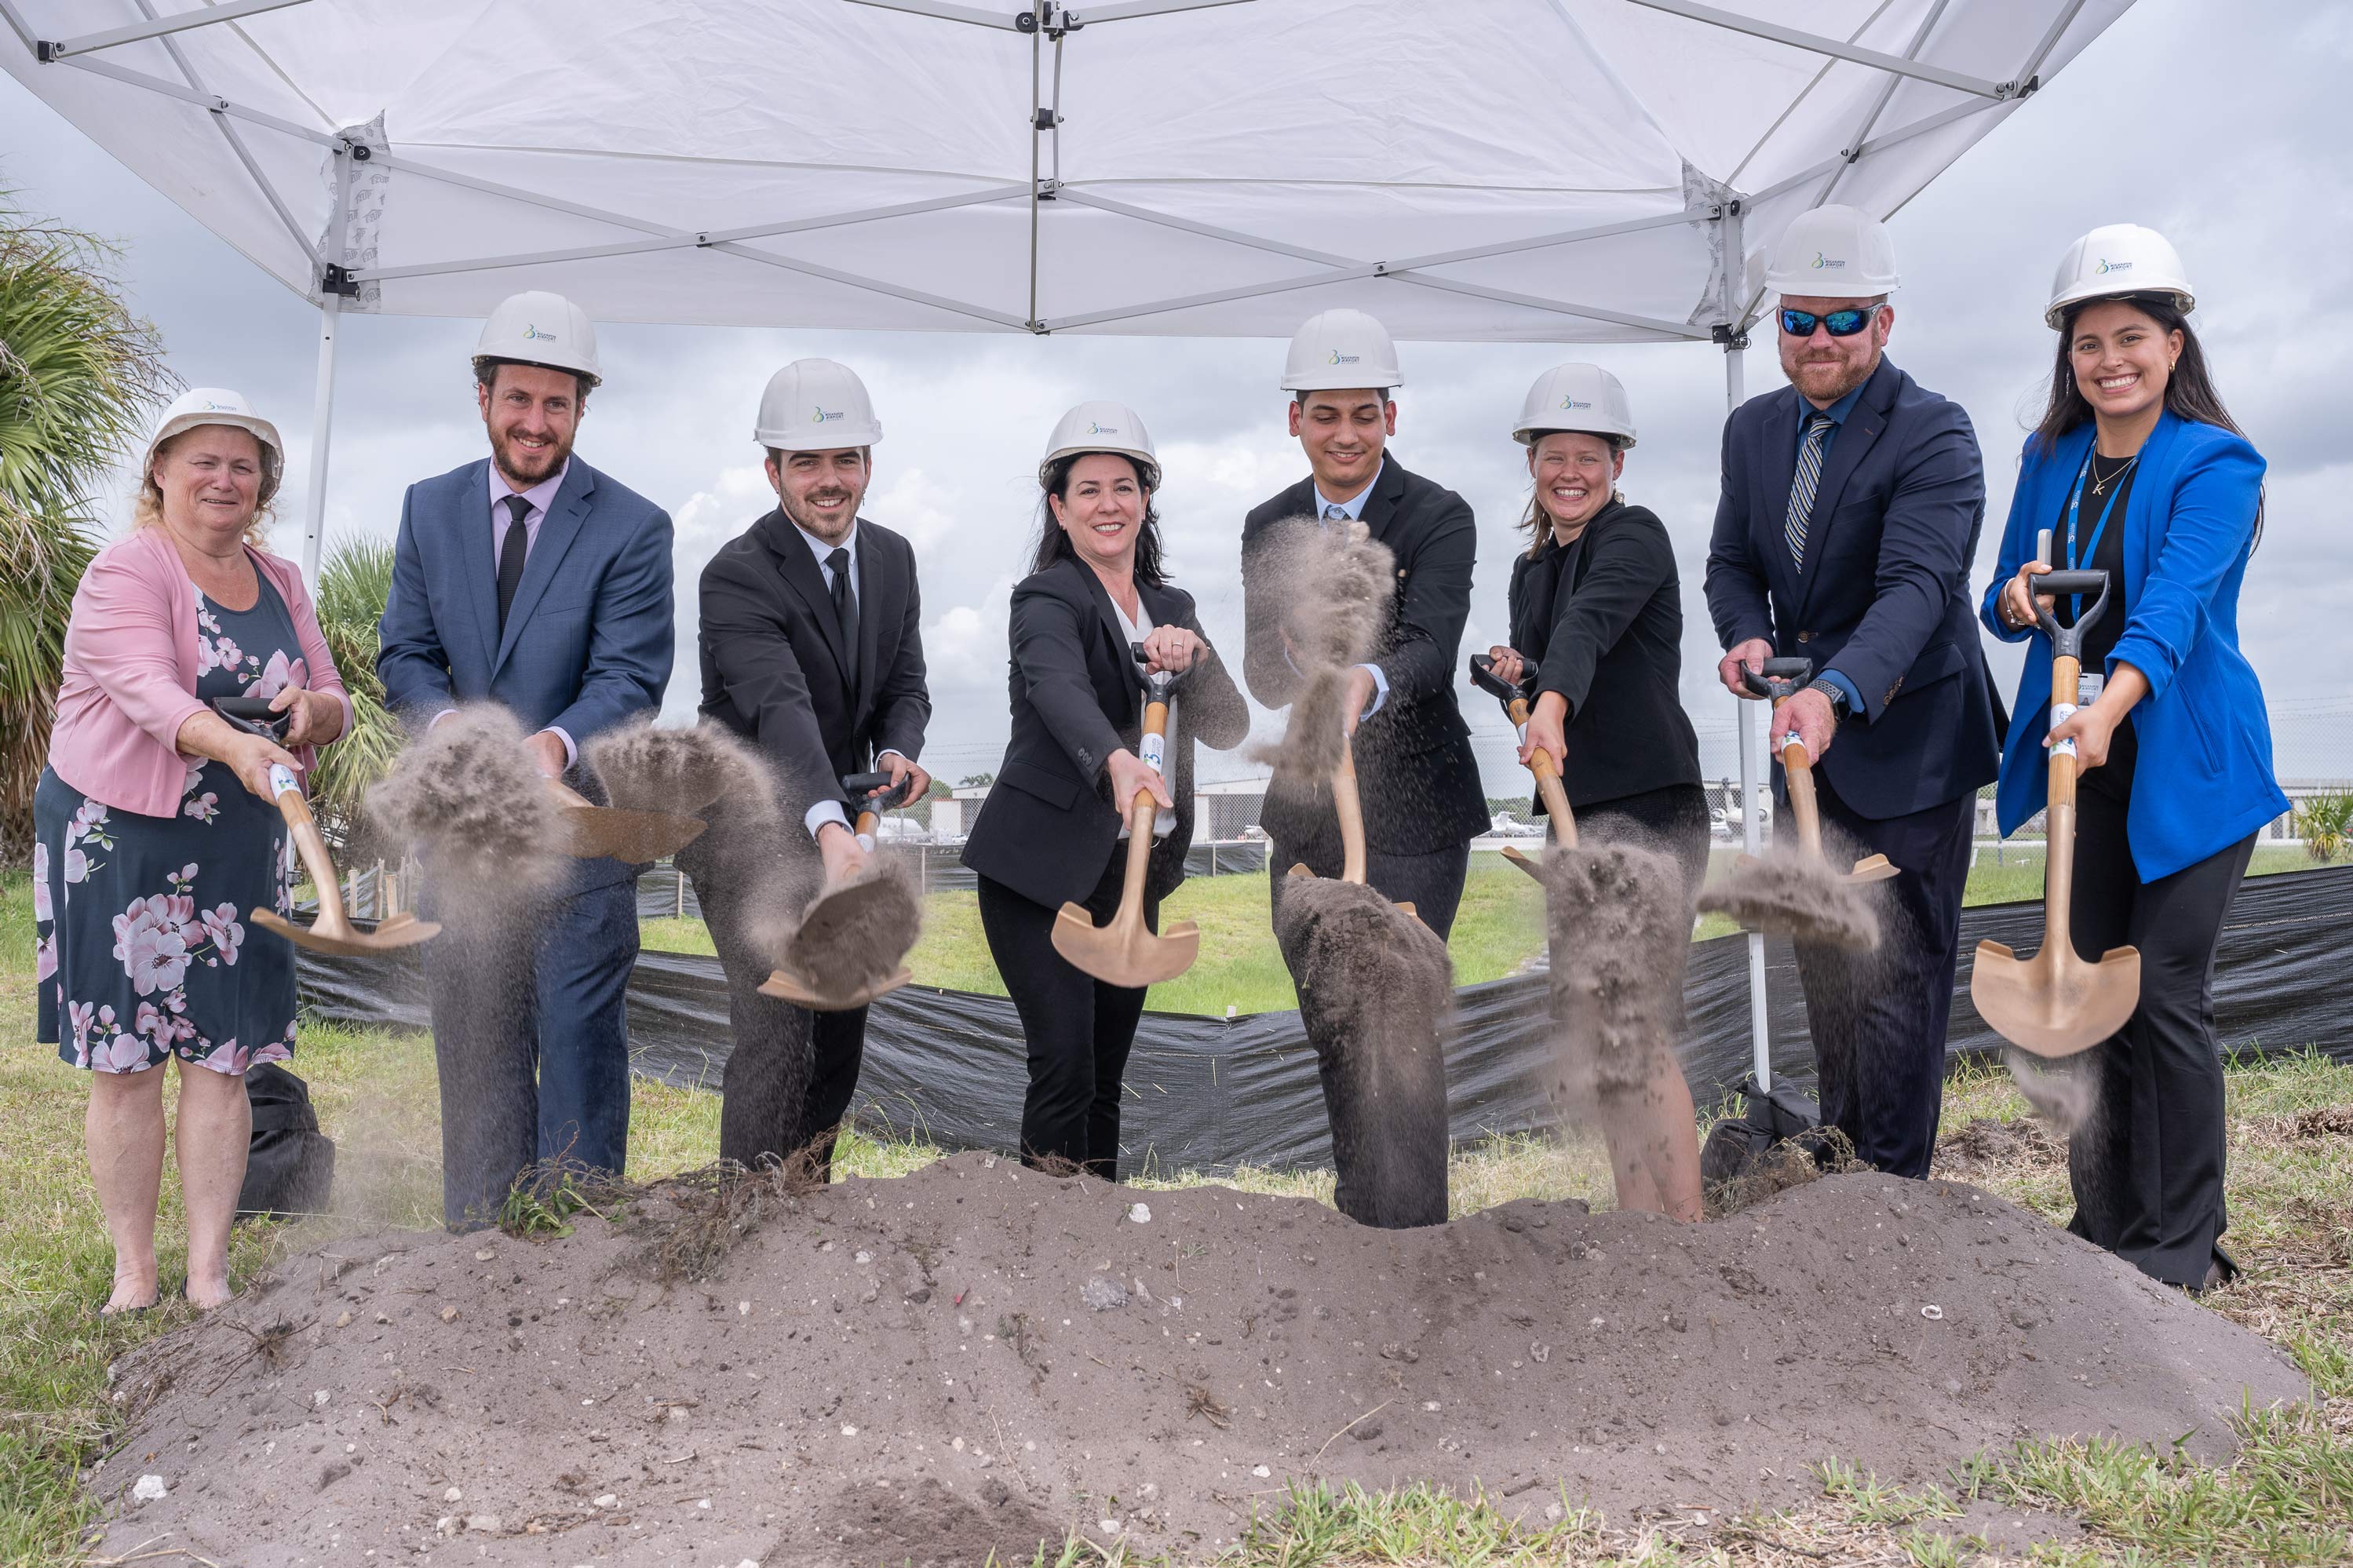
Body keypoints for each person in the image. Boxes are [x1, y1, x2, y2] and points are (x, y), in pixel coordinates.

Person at [1983, 224, 2282, 1291]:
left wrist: (2109, 703)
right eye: (2088, 343)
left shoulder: (2214, 463)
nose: (2109, 360)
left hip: (2189, 764)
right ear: (2067, 355)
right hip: (2085, 762)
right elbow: (2001, 594)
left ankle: (2180, 1242)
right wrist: (2015, 595)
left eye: (2130, 338)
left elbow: (2171, 609)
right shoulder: (2050, 459)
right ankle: (2106, 1225)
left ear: (2172, 344)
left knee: (2157, 994)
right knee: (2085, 1006)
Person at [34, 388, 349, 1312]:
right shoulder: (124, 572)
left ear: (264, 485)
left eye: (243, 465)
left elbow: (331, 692)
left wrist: (313, 713)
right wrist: (240, 747)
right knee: (128, 1059)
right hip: (121, 837)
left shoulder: (281, 579)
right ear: (161, 470)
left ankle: (208, 1273)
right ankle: (135, 1274)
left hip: (240, 840)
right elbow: (147, 690)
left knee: (225, 1055)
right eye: (203, 460)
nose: (224, 479)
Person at [1702, 205, 2001, 1180]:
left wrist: (1832, 692)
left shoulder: (1934, 433)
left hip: (1908, 744)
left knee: (1896, 981)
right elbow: (1731, 563)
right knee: (1828, 972)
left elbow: (1917, 590)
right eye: (1799, 320)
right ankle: (1841, 1171)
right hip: (1806, 750)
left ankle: (1894, 1197)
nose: (1819, 339)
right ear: (1777, 323)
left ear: (1883, 322)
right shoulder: (1752, 431)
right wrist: (1747, 634)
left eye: (1843, 320)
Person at [378, 290, 673, 1227]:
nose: (535, 422)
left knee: (578, 1041)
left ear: (582, 408)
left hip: (580, 844)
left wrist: (552, 743)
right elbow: (405, 653)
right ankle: (477, 1248)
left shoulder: (632, 527)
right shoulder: (429, 509)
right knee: (476, 1048)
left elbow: (629, 675)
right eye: (518, 399)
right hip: (466, 839)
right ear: (484, 398)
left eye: (556, 403)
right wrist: (444, 727)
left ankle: (579, 1252)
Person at [961, 403, 1246, 1176]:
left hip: (1130, 874)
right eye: (1087, 490)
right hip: (1037, 871)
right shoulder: (1046, 598)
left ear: (1146, 500)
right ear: (1059, 508)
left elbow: (1227, 726)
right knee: (1065, 1063)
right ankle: (1043, 1231)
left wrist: (1195, 657)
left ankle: (1095, 1226)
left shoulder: (1173, 609)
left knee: (1104, 1078)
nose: (1108, 504)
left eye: (1124, 487)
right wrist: (1114, 761)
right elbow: (1057, 688)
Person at [692, 359, 932, 1174]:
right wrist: (831, 830)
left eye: (845, 460)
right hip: (747, 834)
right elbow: (781, 707)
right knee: (778, 1034)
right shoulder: (736, 575)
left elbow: (905, 685)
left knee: (837, 1030)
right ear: (773, 472)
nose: (829, 481)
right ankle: (745, 1213)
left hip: (842, 827)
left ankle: (807, 1206)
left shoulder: (893, 558)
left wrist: (896, 752)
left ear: (868, 463)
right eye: (806, 463)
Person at [1483, 363, 1704, 1221]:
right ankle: (1637, 1230)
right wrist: (1522, 676)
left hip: (1650, 810)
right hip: (1574, 818)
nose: (1569, 473)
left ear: (1618, 462)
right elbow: (1554, 652)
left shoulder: (1636, 536)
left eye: (1588, 456)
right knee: (1599, 1030)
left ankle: (1686, 1233)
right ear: (1531, 463)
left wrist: (1550, 703)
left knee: (1637, 1025)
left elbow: (1591, 626)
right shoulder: (1531, 569)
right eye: (1554, 456)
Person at [1242, 309, 1487, 939]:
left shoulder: (1440, 515)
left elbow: (1431, 651)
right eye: (1326, 415)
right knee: (1319, 995)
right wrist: (1299, 660)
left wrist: (1365, 680)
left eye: (1364, 415)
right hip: (1305, 820)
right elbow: (1264, 678)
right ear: (1296, 420)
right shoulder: (1268, 525)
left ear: (1390, 418)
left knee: (1399, 994)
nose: (1346, 435)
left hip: (1420, 820)